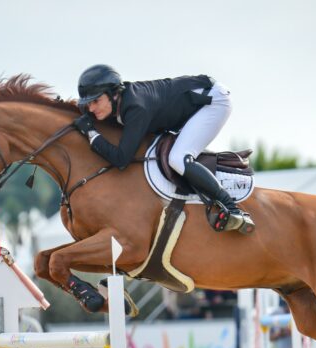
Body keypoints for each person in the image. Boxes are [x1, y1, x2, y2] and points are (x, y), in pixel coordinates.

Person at [72, 64, 255, 234]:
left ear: (113, 94)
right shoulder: (118, 101)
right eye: (88, 103)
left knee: (178, 158)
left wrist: (91, 133)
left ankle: (232, 209)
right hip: (195, 99)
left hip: (213, 101)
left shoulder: (136, 107)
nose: (91, 108)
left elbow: (121, 160)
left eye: (95, 101)